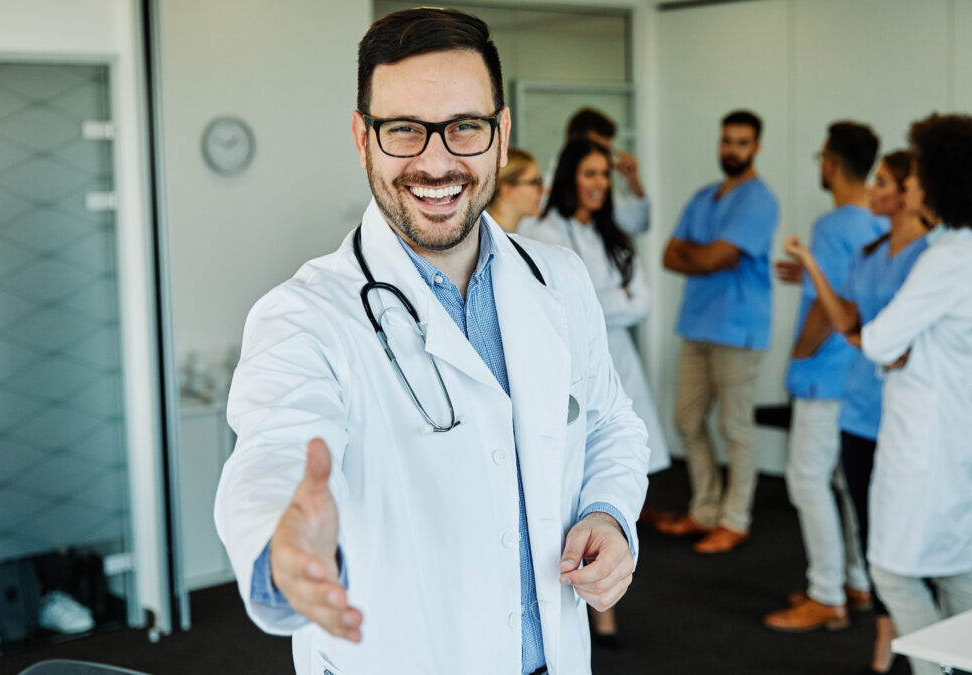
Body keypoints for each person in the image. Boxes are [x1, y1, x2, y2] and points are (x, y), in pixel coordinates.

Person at [213, 9, 651, 675]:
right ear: (363, 138)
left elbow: (613, 423)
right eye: (404, 131)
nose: (436, 162)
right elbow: (275, 455)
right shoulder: (303, 316)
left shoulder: (558, 281)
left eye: (465, 128)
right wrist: (286, 543)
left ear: (501, 135)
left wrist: (610, 513)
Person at [859, 114, 972, 675]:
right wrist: (903, 346)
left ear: (943, 181)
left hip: (927, 443)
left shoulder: (947, 260)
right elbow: (897, 342)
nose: (909, 183)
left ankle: (936, 669)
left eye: (916, 172)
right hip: (950, 437)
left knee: (894, 571)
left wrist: (899, 346)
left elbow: (877, 339)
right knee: (954, 568)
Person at [779, 149, 930, 673]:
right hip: (860, 397)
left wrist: (803, 347)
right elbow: (849, 309)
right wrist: (810, 267)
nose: (874, 189)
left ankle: (837, 597)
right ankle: (866, 603)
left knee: (822, 488)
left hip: (868, 395)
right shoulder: (870, 244)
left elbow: (862, 322)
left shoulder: (924, 252)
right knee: (858, 504)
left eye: (886, 182)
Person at [522, 138, 671, 648]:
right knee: (568, 479)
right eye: (589, 173)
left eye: (604, 175)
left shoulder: (613, 233)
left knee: (617, 457)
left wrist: (597, 302)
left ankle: (603, 594)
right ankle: (589, 602)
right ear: (568, 177)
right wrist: (612, 300)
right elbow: (566, 309)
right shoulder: (541, 235)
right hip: (568, 365)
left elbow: (642, 302)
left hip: (615, 360)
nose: (598, 184)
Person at [763, 121, 887, 632]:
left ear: (831, 164)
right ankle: (855, 581)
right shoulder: (882, 224)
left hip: (824, 376)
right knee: (843, 482)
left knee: (807, 480)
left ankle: (827, 594)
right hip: (862, 376)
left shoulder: (834, 226)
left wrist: (799, 351)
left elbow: (826, 309)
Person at [660, 110, 779, 553]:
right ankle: (705, 509)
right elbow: (670, 256)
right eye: (727, 140)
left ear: (756, 146)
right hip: (696, 325)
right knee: (687, 420)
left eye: (742, 142)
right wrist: (705, 253)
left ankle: (735, 519)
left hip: (738, 330)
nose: (732, 149)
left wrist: (703, 254)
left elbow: (712, 259)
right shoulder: (704, 196)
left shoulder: (759, 200)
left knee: (735, 428)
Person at [558, 107, 650, 234]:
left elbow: (637, 223)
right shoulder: (546, 194)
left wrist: (633, 180)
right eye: (600, 149)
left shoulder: (599, 192)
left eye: (607, 151)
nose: (605, 157)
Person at [487, 148, 543, 233]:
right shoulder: (494, 240)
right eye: (534, 182)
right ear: (506, 191)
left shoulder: (500, 236)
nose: (542, 189)